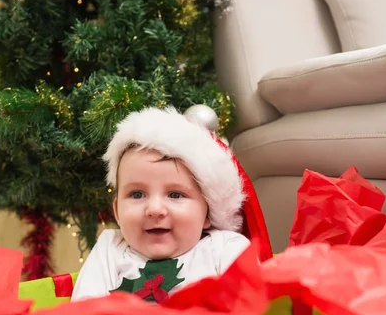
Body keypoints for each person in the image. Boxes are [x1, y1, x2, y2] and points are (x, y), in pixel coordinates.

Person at [71, 106, 251, 303]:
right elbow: (84, 312)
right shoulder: (111, 249)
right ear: (117, 211)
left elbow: (251, 308)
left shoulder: (224, 248)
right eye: (137, 194)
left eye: (175, 194)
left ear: (208, 211)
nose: (155, 210)